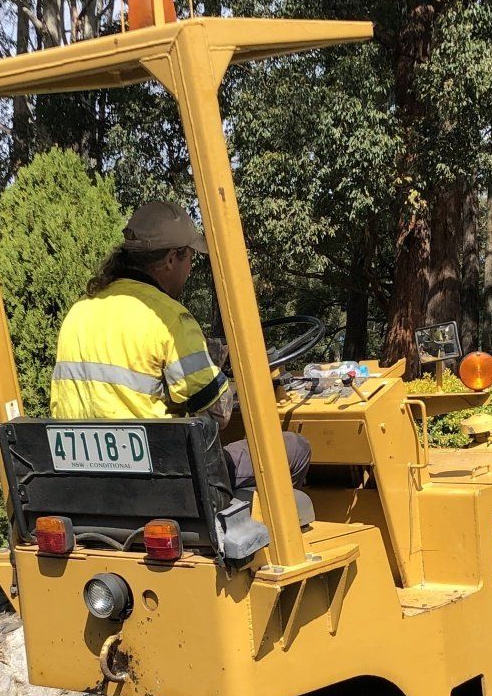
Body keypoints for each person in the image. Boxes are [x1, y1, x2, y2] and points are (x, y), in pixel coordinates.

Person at [50, 200, 311, 492]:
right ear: (172, 258)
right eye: (190, 259)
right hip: (162, 481)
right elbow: (219, 413)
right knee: (295, 448)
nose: (189, 269)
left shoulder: (80, 312)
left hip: (87, 483)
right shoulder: (171, 320)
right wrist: (231, 382)